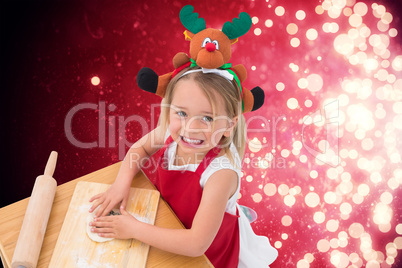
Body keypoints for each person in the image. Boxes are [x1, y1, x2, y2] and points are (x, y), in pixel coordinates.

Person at [88, 66, 278, 267]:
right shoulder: (171, 132)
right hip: (169, 218)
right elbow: (139, 149)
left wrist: (134, 229)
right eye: (182, 113)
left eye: (207, 118)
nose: (190, 128)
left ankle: (230, 210)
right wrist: (121, 183)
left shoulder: (221, 173)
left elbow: (196, 245)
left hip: (204, 248)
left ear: (230, 126)